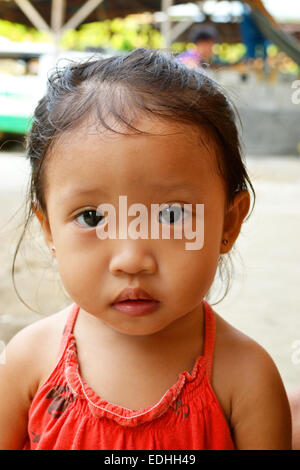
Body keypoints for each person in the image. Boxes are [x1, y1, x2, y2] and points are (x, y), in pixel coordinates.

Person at [0, 48, 291, 450]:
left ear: (228, 222)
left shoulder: (246, 379)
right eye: (91, 217)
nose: (131, 259)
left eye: (171, 215)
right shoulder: (28, 362)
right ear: (49, 229)